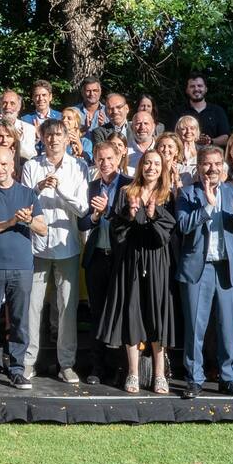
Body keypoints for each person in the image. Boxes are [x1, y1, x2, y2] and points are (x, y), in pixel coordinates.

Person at [175, 147, 233, 399]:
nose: (213, 169)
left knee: (229, 327)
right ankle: (194, 379)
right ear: (198, 167)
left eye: (217, 164)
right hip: (198, 270)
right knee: (195, 328)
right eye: (207, 164)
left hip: (227, 269)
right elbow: (183, 226)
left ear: (224, 166)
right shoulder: (187, 193)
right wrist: (208, 208)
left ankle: (229, 378)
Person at [97, 150, 176, 394]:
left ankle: (159, 374)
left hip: (157, 262)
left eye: (156, 164)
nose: (151, 167)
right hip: (130, 261)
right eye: (147, 163)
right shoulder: (126, 193)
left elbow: (168, 233)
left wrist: (153, 216)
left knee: (156, 315)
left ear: (162, 168)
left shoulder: (168, 196)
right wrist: (130, 216)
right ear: (140, 166)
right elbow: (117, 232)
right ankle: (132, 372)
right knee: (131, 313)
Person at [0, 146, 47, 390]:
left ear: (13, 166)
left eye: (4, 164)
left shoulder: (28, 194)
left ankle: (16, 369)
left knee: (19, 321)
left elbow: (43, 229)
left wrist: (28, 220)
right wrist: (11, 222)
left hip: (21, 266)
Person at [21, 120, 89, 382]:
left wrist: (59, 189)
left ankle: (67, 364)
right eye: (48, 135)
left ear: (66, 138)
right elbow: (23, 203)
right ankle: (28, 361)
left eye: (58, 135)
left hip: (67, 245)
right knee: (33, 307)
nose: (53, 140)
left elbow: (83, 209)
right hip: (36, 248)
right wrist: (38, 189)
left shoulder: (78, 166)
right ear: (42, 138)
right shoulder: (31, 166)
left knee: (66, 308)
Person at [77, 141, 129, 384]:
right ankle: (96, 367)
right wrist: (95, 216)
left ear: (118, 159)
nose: (105, 163)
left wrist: (107, 211)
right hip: (97, 256)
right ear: (95, 161)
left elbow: (129, 221)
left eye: (109, 159)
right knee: (96, 313)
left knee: (119, 313)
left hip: (120, 258)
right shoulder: (91, 187)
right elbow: (82, 223)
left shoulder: (129, 185)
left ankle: (120, 367)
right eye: (100, 159)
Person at [168, 72, 230, 146]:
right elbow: (170, 136)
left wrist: (210, 141)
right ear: (187, 90)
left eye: (200, 86)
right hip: (184, 155)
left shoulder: (217, 111)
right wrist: (189, 140)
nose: (196, 89)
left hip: (211, 155)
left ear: (206, 89)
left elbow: (226, 138)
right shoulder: (178, 112)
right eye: (192, 86)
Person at [0, 91, 37, 161]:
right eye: (4, 103)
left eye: (12, 103)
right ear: (0, 106)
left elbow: (31, 155)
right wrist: (0, 146)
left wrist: (16, 142)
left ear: (19, 107)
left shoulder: (29, 129)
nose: (8, 106)